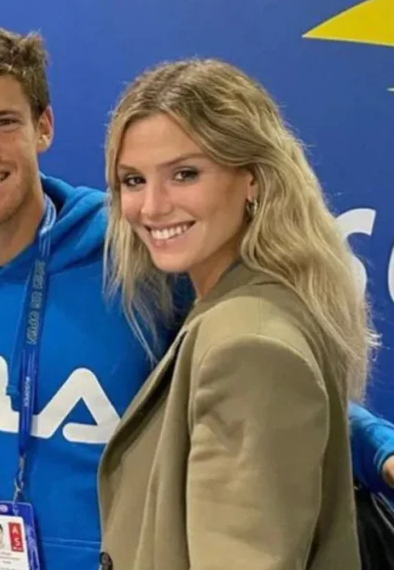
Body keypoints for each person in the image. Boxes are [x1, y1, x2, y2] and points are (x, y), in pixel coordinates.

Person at [0, 20, 394, 570]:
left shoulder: (136, 252)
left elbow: (255, 378)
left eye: (2, 122)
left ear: (43, 126)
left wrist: (378, 447)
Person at [97, 57, 374, 569]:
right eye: (133, 180)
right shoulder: (245, 309)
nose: (151, 207)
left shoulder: (249, 347)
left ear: (252, 179)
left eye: (184, 174)